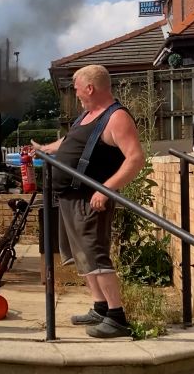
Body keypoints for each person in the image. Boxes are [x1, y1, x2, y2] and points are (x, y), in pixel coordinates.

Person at [31, 64, 145, 339]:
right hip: (70, 197)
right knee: (82, 258)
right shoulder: (86, 115)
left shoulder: (116, 118)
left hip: (89, 199)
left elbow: (135, 158)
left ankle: (117, 317)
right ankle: (99, 307)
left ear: (90, 88)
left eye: (76, 87)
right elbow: (70, 142)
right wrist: (46, 149)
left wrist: (105, 190)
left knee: (95, 255)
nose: (75, 92)